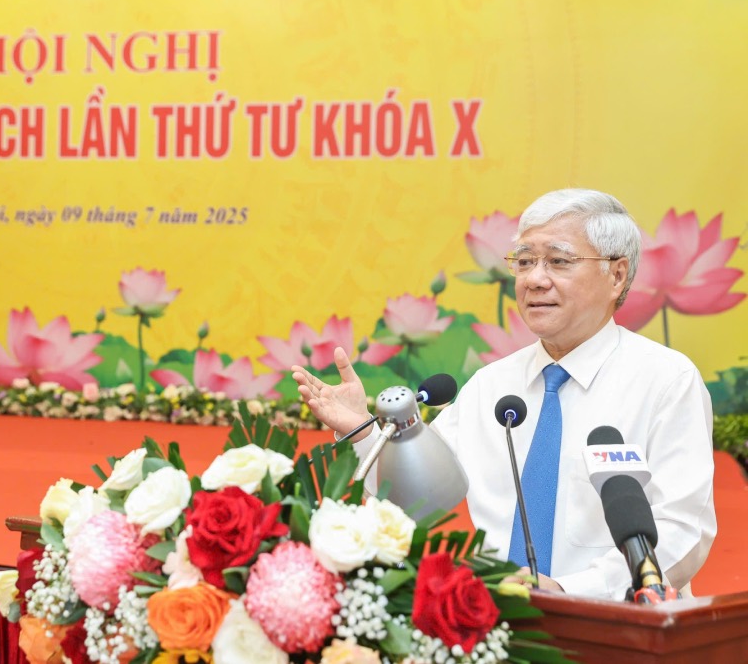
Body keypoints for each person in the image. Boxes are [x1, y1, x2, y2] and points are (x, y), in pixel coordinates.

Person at [293, 188, 717, 600]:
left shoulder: (666, 380)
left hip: (620, 622)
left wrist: (572, 591)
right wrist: (363, 431)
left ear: (616, 275)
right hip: (499, 620)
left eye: (558, 261)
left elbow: (683, 529)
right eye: (525, 261)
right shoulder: (491, 386)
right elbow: (418, 496)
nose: (534, 279)